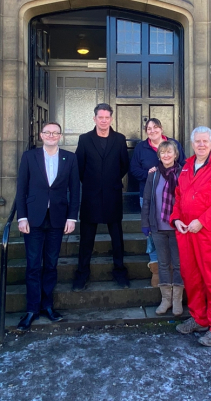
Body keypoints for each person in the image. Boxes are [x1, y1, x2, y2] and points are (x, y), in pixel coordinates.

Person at [170, 126, 211, 347]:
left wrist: (203, 221)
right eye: (197, 141)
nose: (201, 145)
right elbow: (178, 196)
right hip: (186, 232)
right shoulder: (186, 167)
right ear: (192, 143)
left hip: (208, 234)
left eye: (205, 141)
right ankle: (199, 318)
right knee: (192, 277)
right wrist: (176, 218)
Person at [15, 121, 80, 331]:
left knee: (51, 265)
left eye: (55, 132)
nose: (51, 135)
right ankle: (32, 309)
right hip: (33, 219)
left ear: (60, 136)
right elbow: (21, 188)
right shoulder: (29, 157)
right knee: (34, 265)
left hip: (58, 219)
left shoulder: (69, 158)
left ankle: (48, 306)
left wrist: (72, 218)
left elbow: (75, 190)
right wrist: (21, 217)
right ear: (41, 135)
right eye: (47, 132)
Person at [73, 103, 131, 291]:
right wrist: (93, 183)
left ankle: (120, 272)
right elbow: (78, 167)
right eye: (100, 117)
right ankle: (82, 274)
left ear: (111, 119)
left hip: (113, 194)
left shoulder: (120, 139)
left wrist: (110, 181)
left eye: (107, 117)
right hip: (91, 196)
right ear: (94, 118)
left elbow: (124, 165)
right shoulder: (84, 139)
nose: (104, 121)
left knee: (117, 238)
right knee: (86, 239)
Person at [129, 118, 186, 286]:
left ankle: (174, 269)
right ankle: (156, 268)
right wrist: (149, 175)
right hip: (148, 195)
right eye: (149, 128)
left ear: (161, 128)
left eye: (155, 127)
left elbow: (183, 164)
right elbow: (133, 169)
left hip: (173, 196)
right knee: (153, 232)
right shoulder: (141, 147)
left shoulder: (173, 144)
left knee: (173, 232)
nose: (152, 130)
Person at [140, 139, 184, 316]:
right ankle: (166, 300)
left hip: (178, 227)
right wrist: (145, 224)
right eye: (163, 153)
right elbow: (147, 201)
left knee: (179, 264)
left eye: (169, 152)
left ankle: (177, 301)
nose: (166, 155)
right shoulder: (153, 175)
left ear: (175, 155)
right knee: (163, 264)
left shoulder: (183, 174)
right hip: (157, 227)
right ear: (159, 155)